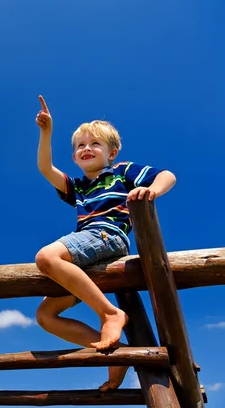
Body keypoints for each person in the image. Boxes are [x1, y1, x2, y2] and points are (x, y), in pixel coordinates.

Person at [33, 95, 176, 391]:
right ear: (74, 158)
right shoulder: (78, 186)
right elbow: (46, 168)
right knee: (45, 316)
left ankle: (110, 314)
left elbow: (167, 175)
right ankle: (114, 351)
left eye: (95, 144)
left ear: (112, 152)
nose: (86, 149)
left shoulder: (121, 172)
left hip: (107, 236)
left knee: (46, 258)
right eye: (80, 146)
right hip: (86, 252)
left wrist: (149, 191)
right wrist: (46, 133)